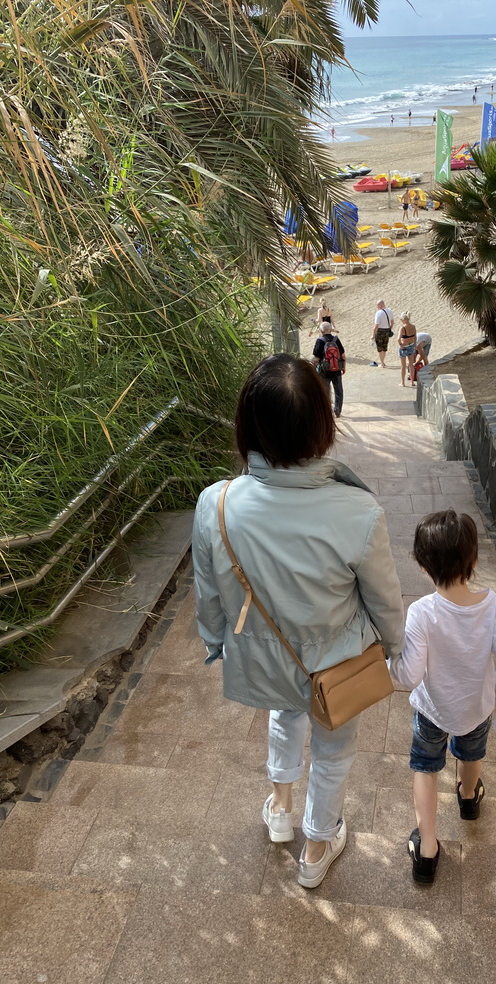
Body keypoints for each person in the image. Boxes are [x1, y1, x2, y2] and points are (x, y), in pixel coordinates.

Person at [193, 355, 405, 889]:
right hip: (336, 661)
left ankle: (281, 807)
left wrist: (216, 642)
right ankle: (316, 845)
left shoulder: (216, 504)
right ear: (320, 424)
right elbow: (383, 599)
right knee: (334, 748)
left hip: (265, 657)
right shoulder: (359, 511)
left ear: (249, 425)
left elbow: (210, 593)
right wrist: (397, 648)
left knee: (285, 714)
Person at [390, 510, 496, 883]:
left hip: (432, 710)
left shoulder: (421, 612)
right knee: (471, 754)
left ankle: (428, 848)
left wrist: (390, 660)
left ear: (422, 566)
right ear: (474, 559)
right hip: (476, 709)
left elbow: (409, 674)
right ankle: (468, 798)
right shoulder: (495, 608)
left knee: (425, 767)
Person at [312, 321, 345, 417]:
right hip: (337, 370)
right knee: (339, 391)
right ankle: (337, 411)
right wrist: (343, 367)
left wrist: (314, 369)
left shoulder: (320, 341)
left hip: (324, 371)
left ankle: (327, 411)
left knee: (325, 391)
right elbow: (343, 355)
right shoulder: (336, 339)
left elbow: (316, 358)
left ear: (321, 331)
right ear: (330, 329)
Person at [371, 299, 394, 368]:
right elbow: (392, 322)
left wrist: (373, 334)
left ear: (380, 305)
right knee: (384, 347)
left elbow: (376, 325)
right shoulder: (389, 311)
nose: (377, 306)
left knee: (380, 348)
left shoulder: (379, 313)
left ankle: (382, 363)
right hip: (387, 330)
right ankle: (383, 362)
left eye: (377, 305)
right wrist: (390, 329)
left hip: (380, 331)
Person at [397, 311, 417, 388]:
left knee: (403, 365)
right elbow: (415, 337)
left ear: (403, 319)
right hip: (411, 346)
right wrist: (414, 345)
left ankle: (402, 382)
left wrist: (400, 345)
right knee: (411, 365)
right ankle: (412, 382)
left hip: (404, 346)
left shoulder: (402, 328)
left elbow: (398, 339)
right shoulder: (413, 327)